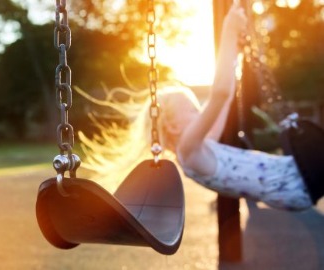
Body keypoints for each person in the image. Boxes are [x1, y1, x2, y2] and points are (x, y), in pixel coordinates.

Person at [77, 2, 315, 211]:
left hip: (293, 179)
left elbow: (227, 95)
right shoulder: (189, 151)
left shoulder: (203, 145)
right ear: (170, 125)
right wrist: (229, 31)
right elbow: (219, 95)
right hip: (295, 182)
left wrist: (235, 53)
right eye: (191, 109)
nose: (199, 113)